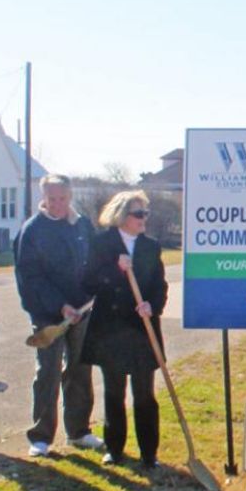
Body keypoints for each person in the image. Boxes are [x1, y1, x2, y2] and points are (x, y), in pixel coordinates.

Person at [15, 174, 103, 457]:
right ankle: (40, 436)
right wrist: (60, 306)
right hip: (48, 314)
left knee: (80, 369)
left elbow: (95, 262)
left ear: (70, 196)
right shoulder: (32, 230)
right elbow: (30, 277)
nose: (57, 204)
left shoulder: (83, 225)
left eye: (62, 198)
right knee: (48, 372)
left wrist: (90, 295)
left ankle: (78, 432)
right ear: (43, 197)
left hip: (83, 311)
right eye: (52, 198)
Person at [81, 190, 168, 470]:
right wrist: (114, 269)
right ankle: (115, 449)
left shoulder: (151, 247)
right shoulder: (102, 244)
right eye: (138, 214)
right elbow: (88, 282)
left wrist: (152, 306)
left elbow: (159, 285)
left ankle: (148, 453)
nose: (144, 219)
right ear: (122, 216)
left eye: (146, 213)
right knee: (114, 392)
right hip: (111, 330)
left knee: (144, 394)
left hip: (141, 329)